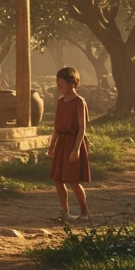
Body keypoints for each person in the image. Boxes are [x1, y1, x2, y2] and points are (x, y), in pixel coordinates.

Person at [49, 66, 91, 222]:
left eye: (63, 82)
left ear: (73, 83)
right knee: (58, 180)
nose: (59, 85)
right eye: (57, 82)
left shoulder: (79, 102)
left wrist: (76, 150)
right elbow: (56, 127)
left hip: (74, 142)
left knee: (73, 180)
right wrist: (51, 146)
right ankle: (64, 212)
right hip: (62, 142)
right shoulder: (61, 102)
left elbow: (82, 128)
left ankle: (84, 211)